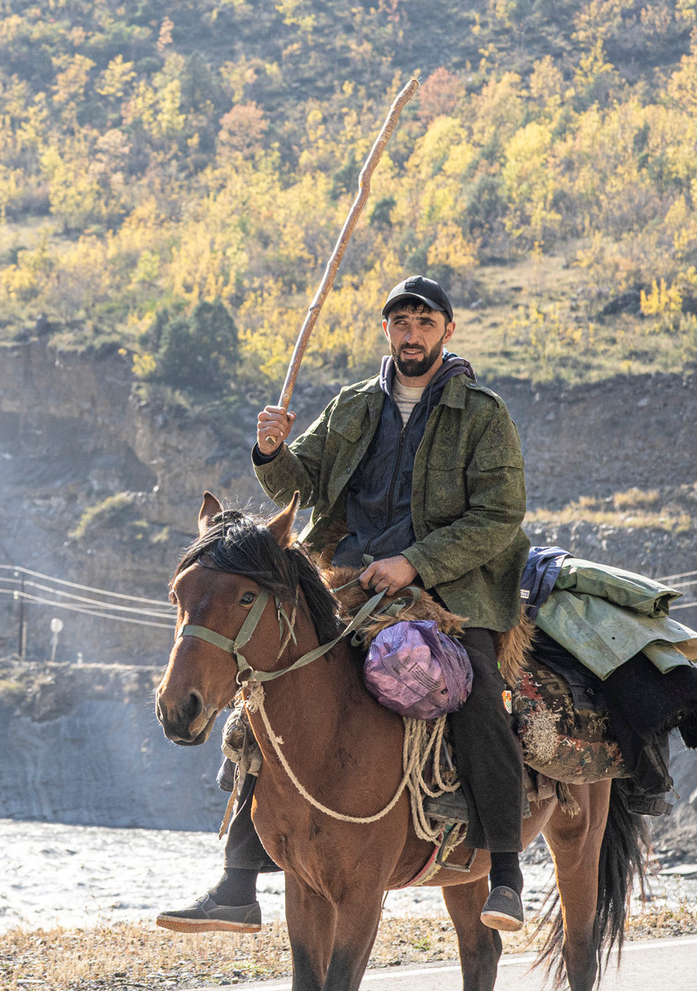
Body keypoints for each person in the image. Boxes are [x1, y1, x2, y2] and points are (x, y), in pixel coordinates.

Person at [157, 275, 534, 935]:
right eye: (400, 323)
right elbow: (297, 484)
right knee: (266, 687)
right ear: (386, 332)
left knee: (475, 696)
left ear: (448, 331)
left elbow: (498, 517)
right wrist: (271, 451)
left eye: (424, 322)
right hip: (347, 579)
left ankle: (504, 871)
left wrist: (416, 561)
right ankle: (239, 882)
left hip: (450, 592)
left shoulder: (482, 414)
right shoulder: (356, 405)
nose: (411, 333)